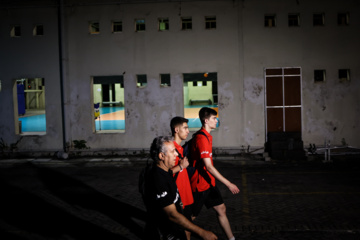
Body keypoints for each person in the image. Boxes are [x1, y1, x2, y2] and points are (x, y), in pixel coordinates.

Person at [143, 136, 217, 240]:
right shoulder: (157, 179)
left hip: (176, 230)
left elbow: (169, 173)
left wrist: (181, 167)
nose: (176, 154)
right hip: (167, 235)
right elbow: (172, 214)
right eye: (173, 151)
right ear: (161, 155)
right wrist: (202, 232)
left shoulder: (164, 170)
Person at [190, 107, 240, 240]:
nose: (216, 120)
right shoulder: (202, 139)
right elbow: (209, 167)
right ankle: (174, 234)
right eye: (213, 118)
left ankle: (231, 239)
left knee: (221, 209)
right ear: (206, 120)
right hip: (200, 185)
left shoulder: (207, 136)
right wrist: (228, 184)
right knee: (189, 218)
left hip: (209, 183)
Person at [170, 116, 193, 240]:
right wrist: (180, 166)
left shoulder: (181, 148)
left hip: (186, 197)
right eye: (185, 128)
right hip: (178, 199)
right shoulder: (170, 149)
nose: (188, 131)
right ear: (176, 130)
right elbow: (163, 173)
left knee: (188, 228)